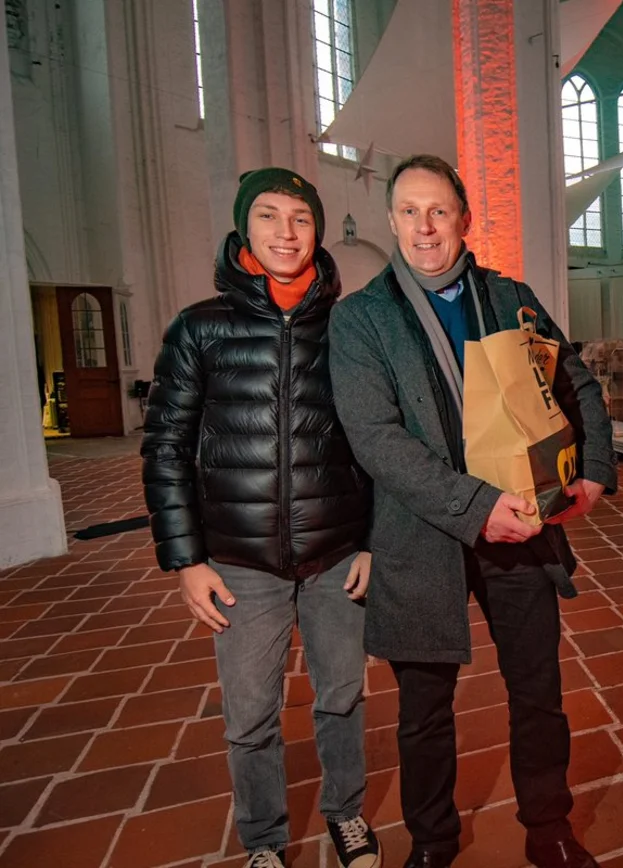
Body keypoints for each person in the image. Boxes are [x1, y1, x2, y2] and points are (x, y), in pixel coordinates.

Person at [328, 154, 617, 868]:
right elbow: (376, 439)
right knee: (424, 711)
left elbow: (575, 383)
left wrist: (595, 472)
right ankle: (433, 842)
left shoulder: (509, 297)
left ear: (463, 218)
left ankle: (549, 828)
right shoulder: (360, 318)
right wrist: (476, 506)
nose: (424, 227)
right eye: (409, 212)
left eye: (438, 211)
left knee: (538, 690)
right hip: (420, 532)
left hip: (523, 523)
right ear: (392, 220)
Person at [141, 168, 382, 868]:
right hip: (240, 561)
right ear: (245, 228)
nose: (286, 231)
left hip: (336, 552)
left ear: (317, 231)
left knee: (342, 697)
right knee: (249, 715)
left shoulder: (349, 327)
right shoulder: (200, 328)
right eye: (269, 216)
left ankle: (346, 813)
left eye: (300, 218)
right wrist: (186, 561)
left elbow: (377, 439)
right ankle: (264, 840)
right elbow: (166, 446)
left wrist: (371, 541)